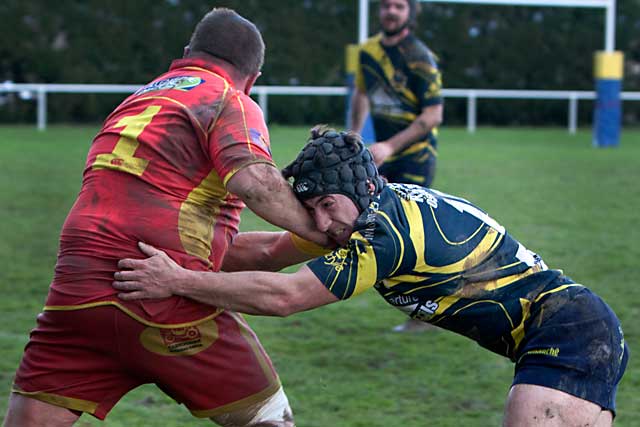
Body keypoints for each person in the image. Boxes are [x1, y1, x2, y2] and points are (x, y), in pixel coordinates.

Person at [113, 127, 629, 427]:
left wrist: (179, 281)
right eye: (309, 209)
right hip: (567, 333)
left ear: (353, 191)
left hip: (569, 334)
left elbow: (286, 296)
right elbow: (270, 251)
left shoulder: (383, 235)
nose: (319, 223)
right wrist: (183, 252)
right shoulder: (370, 210)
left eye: (323, 207)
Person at [3, 8, 331, 427]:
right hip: (159, 300)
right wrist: (318, 225)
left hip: (77, 294)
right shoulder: (229, 98)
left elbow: (205, 242)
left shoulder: (140, 99)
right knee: (269, 421)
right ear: (253, 79)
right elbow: (257, 183)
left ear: (186, 54)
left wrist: (306, 242)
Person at [350, 0, 444, 331]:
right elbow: (362, 94)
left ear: (409, 13)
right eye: (387, 5)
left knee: (414, 234)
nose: (391, 11)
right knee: (379, 225)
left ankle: (428, 313)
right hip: (381, 154)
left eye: (399, 6)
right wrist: (354, 134)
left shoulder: (421, 57)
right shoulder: (368, 52)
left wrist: (390, 145)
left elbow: (433, 115)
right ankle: (415, 305)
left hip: (415, 156)